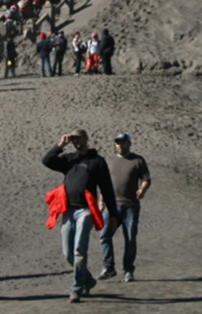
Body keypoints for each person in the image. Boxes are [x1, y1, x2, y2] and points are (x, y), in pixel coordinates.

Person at [43, 129, 119, 302]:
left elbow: (106, 188)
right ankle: (88, 280)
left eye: (79, 139)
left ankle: (76, 288)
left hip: (86, 211)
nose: (76, 142)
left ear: (86, 138)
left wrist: (113, 214)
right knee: (67, 252)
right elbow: (47, 160)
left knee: (79, 250)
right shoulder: (69, 160)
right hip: (68, 210)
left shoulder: (97, 161)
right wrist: (61, 145)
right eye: (74, 139)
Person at [98, 133, 151, 282]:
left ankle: (128, 270)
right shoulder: (109, 161)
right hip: (111, 206)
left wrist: (142, 189)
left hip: (130, 207)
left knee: (130, 238)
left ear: (129, 143)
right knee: (104, 235)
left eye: (122, 142)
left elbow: (146, 179)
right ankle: (108, 267)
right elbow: (104, 184)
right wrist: (101, 202)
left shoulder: (137, 160)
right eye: (117, 143)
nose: (119, 145)